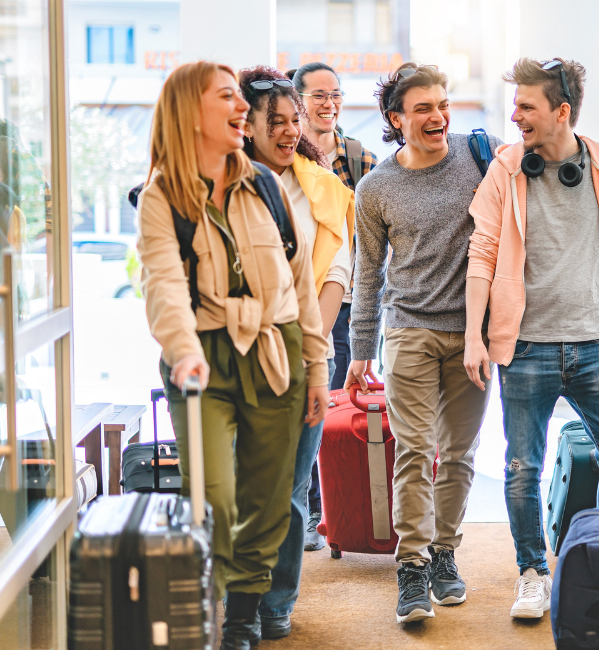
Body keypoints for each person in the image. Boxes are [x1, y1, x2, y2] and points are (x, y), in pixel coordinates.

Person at [136, 61, 330, 650]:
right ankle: (220, 599)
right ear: (190, 112)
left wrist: (317, 368)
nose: (241, 107)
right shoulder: (162, 195)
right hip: (202, 358)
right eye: (227, 97)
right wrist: (184, 352)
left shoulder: (267, 186)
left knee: (269, 501)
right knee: (215, 497)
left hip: (277, 350)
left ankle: (243, 616)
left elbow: (300, 286)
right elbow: (164, 286)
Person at [465, 57, 599, 619]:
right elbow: (483, 253)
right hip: (525, 346)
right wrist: (475, 335)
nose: (514, 115)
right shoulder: (505, 169)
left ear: (561, 111)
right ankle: (532, 574)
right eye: (514, 104)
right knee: (523, 467)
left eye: (526, 106)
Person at [346, 62, 502, 624]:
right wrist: (360, 347)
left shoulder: (483, 157)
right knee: (414, 451)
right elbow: (368, 273)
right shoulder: (375, 188)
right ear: (396, 119)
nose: (438, 117)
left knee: (459, 453)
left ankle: (444, 554)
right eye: (422, 109)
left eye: (441, 104)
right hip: (408, 328)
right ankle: (410, 566)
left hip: (473, 336)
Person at [237, 66, 355, 641]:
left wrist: (315, 349)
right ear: (246, 124)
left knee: (288, 487)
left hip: (306, 352)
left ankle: (275, 601)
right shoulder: (222, 180)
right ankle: (238, 599)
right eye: (275, 122)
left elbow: (337, 269)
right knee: (238, 484)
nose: (288, 132)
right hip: (236, 352)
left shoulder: (322, 186)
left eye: (293, 121)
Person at [288, 61, 379, 553]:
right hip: (296, 299)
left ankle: (328, 507)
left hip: (346, 300)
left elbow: (371, 237)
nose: (330, 104)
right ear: (297, 101)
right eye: (319, 96)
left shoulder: (359, 158)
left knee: (337, 404)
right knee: (302, 406)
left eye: (336, 95)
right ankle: (303, 507)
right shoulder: (282, 158)